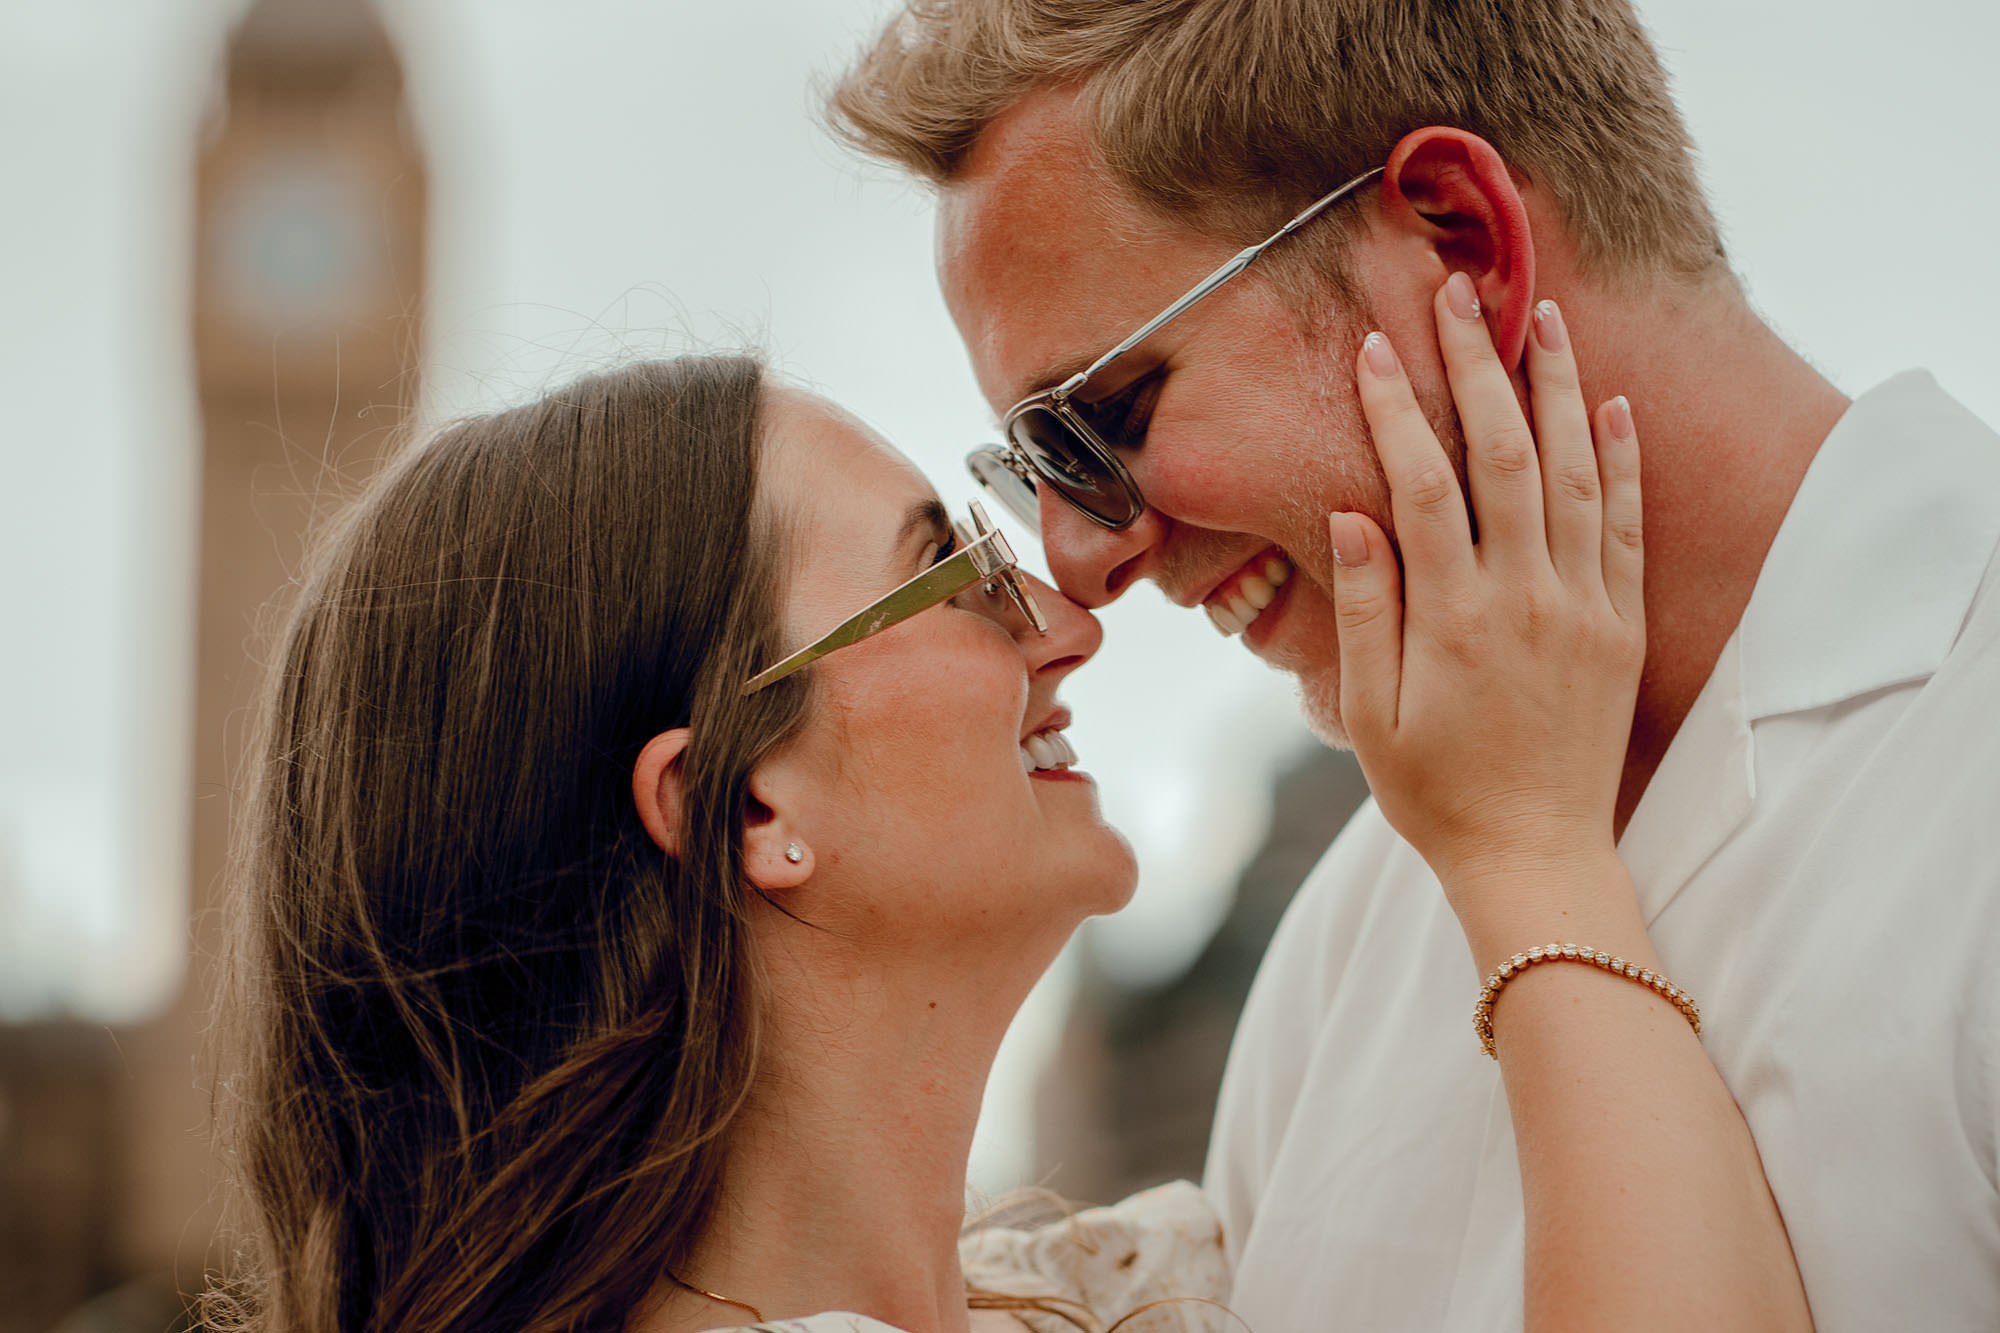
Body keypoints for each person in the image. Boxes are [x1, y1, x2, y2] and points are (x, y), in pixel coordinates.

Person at [203, 300, 1807, 1333]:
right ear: (744, 801)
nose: (1065, 615)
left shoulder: (1108, 1296)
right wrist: (1532, 850)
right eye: (948, 568)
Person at [828, 1, 2000, 1329]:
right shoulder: (1342, 954)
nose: (1084, 559)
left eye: (1104, 417)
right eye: (1036, 465)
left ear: (1463, 243)